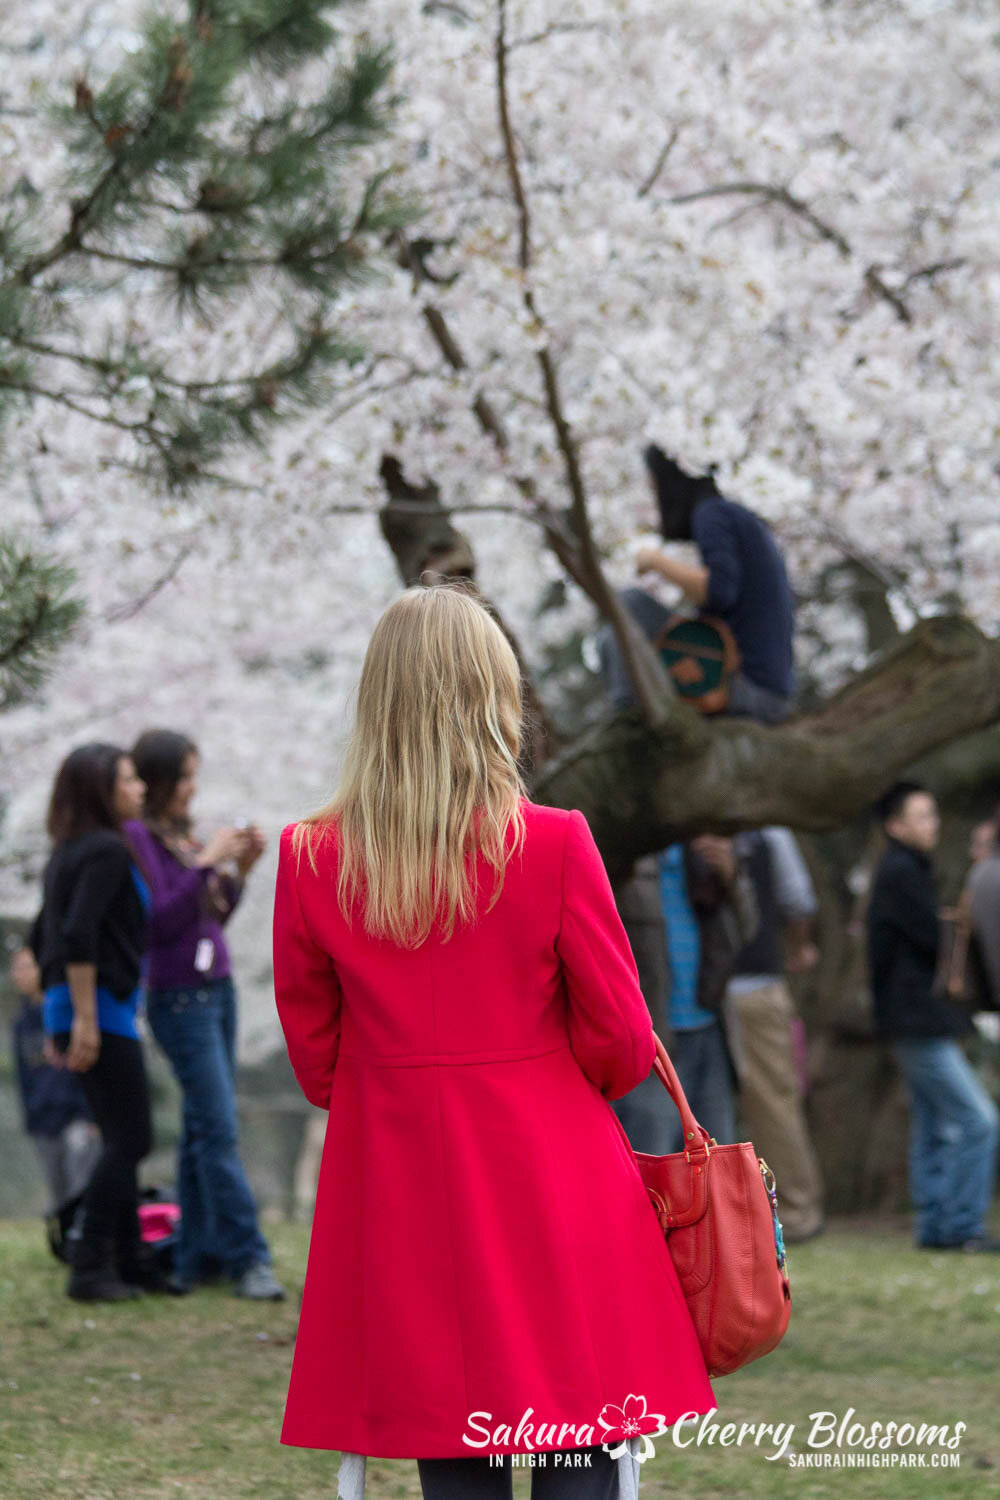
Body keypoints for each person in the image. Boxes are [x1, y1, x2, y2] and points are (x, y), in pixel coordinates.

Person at [272, 584, 716, 1500]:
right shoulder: (552, 844)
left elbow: (317, 1056)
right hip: (553, 1168)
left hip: (401, 1177)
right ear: (493, 699)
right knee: (576, 1428)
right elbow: (624, 1041)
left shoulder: (313, 857)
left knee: (451, 1427)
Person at [127, 729, 285, 1301]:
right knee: (219, 1129)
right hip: (177, 999)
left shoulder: (178, 836)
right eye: (186, 776)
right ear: (160, 779)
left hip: (216, 989)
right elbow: (157, 926)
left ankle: (193, 1257)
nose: (193, 788)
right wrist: (206, 864)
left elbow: (208, 919)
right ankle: (249, 1257)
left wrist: (238, 871)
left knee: (200, 1132)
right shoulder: (137, 839)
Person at [34, 742, 159, 1300]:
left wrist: (58, 1015)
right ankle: (90, 1265)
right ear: (101, 791)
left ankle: (130, 1261)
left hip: (77, 1005)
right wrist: (84, 1019)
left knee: (117, 1136)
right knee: (132, 1139)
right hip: (99, 1009)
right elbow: (77, 935)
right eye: (129, 780)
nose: (140, 790)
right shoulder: (108, 850)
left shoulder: (67, 850)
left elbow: (43, 938)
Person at [866, 781, 999, 1253]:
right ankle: (962, 1226)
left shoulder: (902, 870)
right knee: (979, 1120)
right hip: (917, 1019)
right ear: (895, 825)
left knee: (932, 1122)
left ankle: (937, 1227)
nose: (933, 824)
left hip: (910, 1019)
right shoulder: (902, 872)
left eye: (934, 814)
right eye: (922, 816)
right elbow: (931, 940)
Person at [599, 443, 796, 724]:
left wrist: (656, 561)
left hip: (749, 690)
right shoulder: (732, 515)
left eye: (655, 488)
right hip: (762, 689)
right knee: (610, 634)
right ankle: (625, 715)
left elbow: (718, 591)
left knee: (630, 603)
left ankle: (627, 721)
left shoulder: (712, 513)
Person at [610, 836, 757, 1156]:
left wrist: (732, 878)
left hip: (710, 1032)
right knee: (655, 1164)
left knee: (718, 1163)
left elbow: (747, 931)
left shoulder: (703, 844)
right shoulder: (620, 852)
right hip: (651, 1046)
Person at [726, 828, 825, 1244]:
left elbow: (799, 902)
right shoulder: (769, 832)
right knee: (773, 1102)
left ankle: (792, 1212)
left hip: (731, 986)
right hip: (753, 984)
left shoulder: (762, 836)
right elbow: (798, 902)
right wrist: (798, 947)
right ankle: (793, 1211)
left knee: (769, 1102)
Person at [10, 942, 101, 1262]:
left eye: (27, 966)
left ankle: (89, 1246)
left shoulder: (68, 1012)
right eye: (16, 968)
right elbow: (23, 1077)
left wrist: (92, 1115)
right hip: (43, 1120)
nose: (21, 974)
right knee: (59, 1190)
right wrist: (30, 1117)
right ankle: (68, 1249)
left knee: (82, 1184)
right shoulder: (21, 1025)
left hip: (76, 1116)